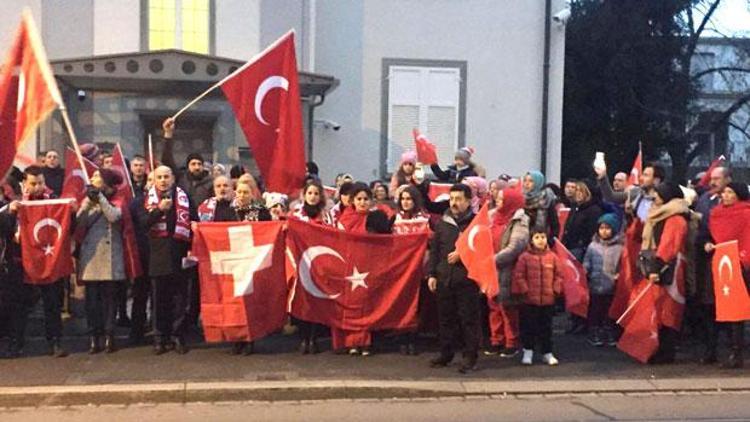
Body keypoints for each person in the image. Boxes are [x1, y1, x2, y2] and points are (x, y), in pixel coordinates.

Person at [3, 166, 69, 358]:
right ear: (25, 184)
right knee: (20, 306)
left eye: (41, 182)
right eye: (33, 183)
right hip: (22, 263)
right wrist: (10, 212)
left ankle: (55, 341)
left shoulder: (53, 202)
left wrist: (70, 210)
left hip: (48, 262)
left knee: (52, 304)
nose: (38, 187)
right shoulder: (16, 204)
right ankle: (17, 343)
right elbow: (6, 229)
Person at [139, 165, 192, 355]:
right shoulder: (145, 199)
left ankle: (177, 335)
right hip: (157, 255)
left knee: (179, 298)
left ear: (172, 178)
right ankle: (160, 337)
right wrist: (159, 211)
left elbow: (192, 221)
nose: (163, 180)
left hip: (179, 253)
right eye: (159, 177)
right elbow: (142, 223)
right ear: (154, 180)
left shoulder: (183, 197)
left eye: (166, 177)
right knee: (159, 299)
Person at [427, 183, 480, 373]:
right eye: (452, 199)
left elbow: (481, 251)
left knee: (468, 320)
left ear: (468, 201)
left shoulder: (476, 224)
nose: (454, 203)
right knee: (445, 319)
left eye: (459, 199)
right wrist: (432, 273)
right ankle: (446, 353)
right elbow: (435, 251)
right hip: (444, 278)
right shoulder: (443, 222)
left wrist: (462, 255)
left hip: (467, 279)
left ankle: (470, 357)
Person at [639, 182, 690, 364]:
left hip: (669, 270)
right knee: (662, 311)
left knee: (667, 312)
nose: (655, 197)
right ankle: (660, 350)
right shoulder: (665, 215)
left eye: (658, 194)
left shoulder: (675, 219)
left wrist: (655, 268)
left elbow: (669, 246)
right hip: (664, 267)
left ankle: (665, 352)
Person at [76, 169, 126, 354]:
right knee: (92, 302)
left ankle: (109, 334)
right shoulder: (87, 199)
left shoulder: (118, 198)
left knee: (109, 300)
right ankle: (94, 335)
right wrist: (89, 201)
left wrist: (101, 199)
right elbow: (79, 222)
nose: (93, 179)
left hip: (110, 254)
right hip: (91, 255)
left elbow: (114, 216)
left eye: (97, 177)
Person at [704, 182, 750, 368]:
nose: (726, 195)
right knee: (712, 307)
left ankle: (736, 352)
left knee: (736, 311)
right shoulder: (716, 213)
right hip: (719, 263)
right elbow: (709, 235)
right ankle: (712, 351)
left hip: (738, 265)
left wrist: (743, 257)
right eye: (724, 192)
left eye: (730, 192)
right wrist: (707, 243)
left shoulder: (746, 214)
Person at [694, 167, 732, 364]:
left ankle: (734, 348)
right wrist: (704, 243)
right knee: (708, 306)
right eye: (712, 178)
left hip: (730, 261)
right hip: (708, 259)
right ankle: (710, 349)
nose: (713, 182)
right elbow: (701, 230)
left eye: (718, 178)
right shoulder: (704, 201)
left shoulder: (738, 202)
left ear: (728, 179)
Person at [289, 181, 331, 354]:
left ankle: (313, 338)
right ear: (304, 195)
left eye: (316, 193)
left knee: (317, 301)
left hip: (320, 264)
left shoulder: (327, 215)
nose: (313, 197)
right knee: (302, 301)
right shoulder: (296, 215)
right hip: (300, 263)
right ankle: (303, 338)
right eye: (310, 193)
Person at [486, 187, 529, 357]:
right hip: (492, 269)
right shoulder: (491, 217)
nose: (498, 200)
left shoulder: (520, 221)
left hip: (508, 270)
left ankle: (511, 342)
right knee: (493, 305)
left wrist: (493, 259)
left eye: (502, 199)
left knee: (507, 307)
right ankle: (496, 340)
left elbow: (515, 247)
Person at [334, 182, 375, 355]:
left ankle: (365, 341)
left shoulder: (376, 218)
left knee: (366, 304)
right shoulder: (345, 219)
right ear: (352, 200)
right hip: (349, 266)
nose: (362, 202)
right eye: (359, 199)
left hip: (368, 266)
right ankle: (350, 341)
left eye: (366, 199)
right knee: (350, 305)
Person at [512, 229, 563, 366]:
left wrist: (555, 289)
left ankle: (547, 352)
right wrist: (525, 290)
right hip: (529, 300)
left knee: (546, 327)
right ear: (531, 240)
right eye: (537, 237)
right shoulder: (525, 257)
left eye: (543, 237)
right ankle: (528, 351)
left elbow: (559, 275)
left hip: (548, 299)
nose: (541, 240)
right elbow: (519, 275)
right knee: (529, 327)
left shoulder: (553, 257)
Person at [583, 213, 623, 347]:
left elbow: (622, 265)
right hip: (595, 284)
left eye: (607, 228)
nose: (604, 231)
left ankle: (609, 331)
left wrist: (619, 276)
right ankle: (595, 332)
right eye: (601, 228)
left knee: (609, 311)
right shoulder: (592, 246)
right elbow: (587, 261)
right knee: (595, 311)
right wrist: (585, 271)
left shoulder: (619, 248)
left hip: (611, 286)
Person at [161, 118, 213, 209]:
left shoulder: (211, 182)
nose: (197, 167)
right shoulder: (181, 178)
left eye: (199, 164)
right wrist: (168, 134)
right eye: (193, 164)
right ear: (187, 166)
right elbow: (166, 159)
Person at [596, 161, 665, 223]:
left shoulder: (665, 198)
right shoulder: (636, 193)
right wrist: (602, 176)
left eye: (646, 175)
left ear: (656, 180)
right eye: (643, 174)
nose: (641, 178)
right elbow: (611, 197)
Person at [562, 180, 604, 261]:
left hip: (581, 250)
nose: (577, 193)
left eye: (581, 190)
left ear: (587, 192)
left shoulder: (593, 210)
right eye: (576, 190)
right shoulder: (575, 208)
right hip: (569, 247)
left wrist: (582, 245)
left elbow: (592, 231)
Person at [522, 171, 559, 244]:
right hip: (524, 241)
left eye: (531, 181)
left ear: (538, 182)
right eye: (525, 180)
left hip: (542, 241)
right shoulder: (521, 199)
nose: (527, 183)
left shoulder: (547, 198)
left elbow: (554, 224)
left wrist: (550, 242)